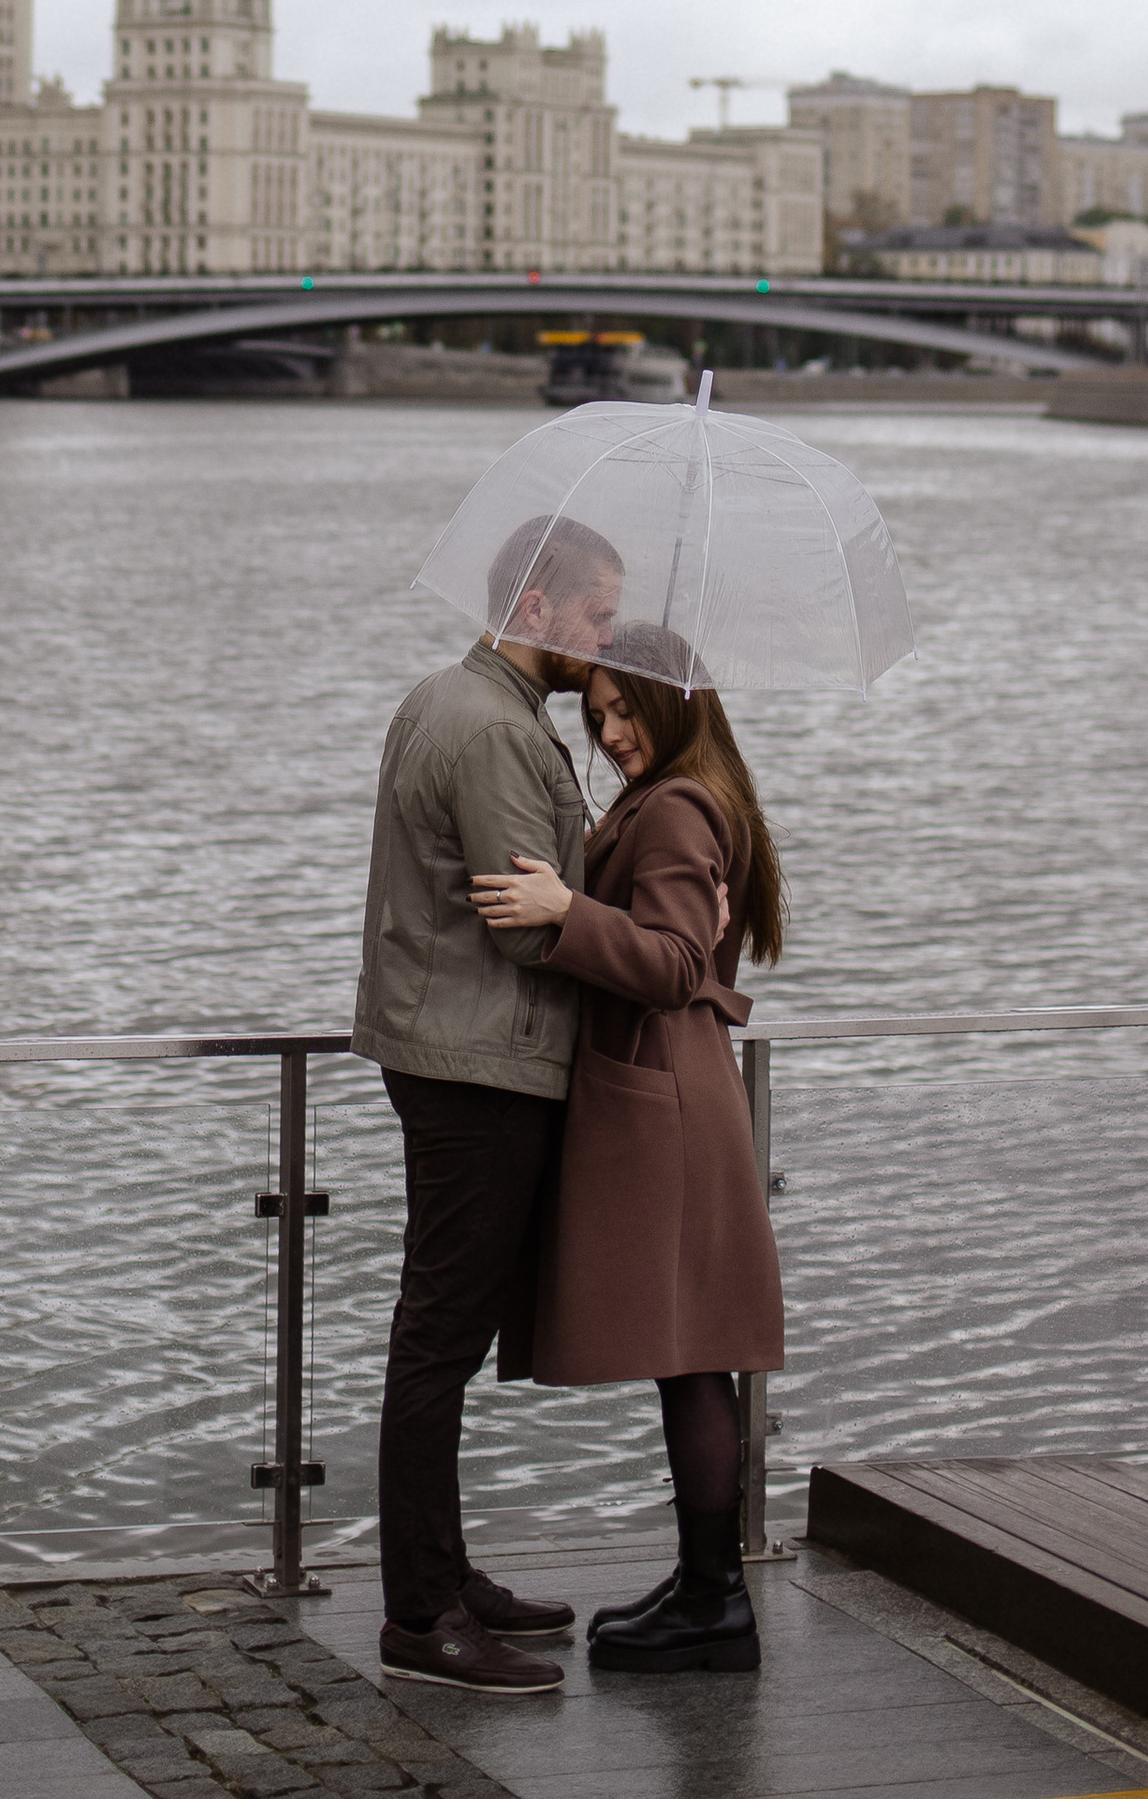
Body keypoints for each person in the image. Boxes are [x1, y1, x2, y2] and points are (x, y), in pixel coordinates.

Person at [472, 635, 786, 1677]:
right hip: (676, 1086)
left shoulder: (680, 805)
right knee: (686, 1353)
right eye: (597, 714)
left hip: (670, 1099)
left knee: (691, 1354)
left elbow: (676, 962)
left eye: (625, 710)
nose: (610, 733)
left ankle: (716, 1601)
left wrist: (568, 913)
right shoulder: (678, 796)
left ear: (676, 701)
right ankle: (704, 1584)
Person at [350, 512, 624, 1693]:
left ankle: (446, 1578)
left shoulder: (446, 700)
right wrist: (624, 909)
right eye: (597, 615)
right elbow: (526, 925)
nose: (605, 640)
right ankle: (422, 1616)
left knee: (440, 1334)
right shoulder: (500, 732)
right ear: (535, 605)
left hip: (445, 1046)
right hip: (479, 1062)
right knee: (439, 1338)